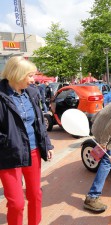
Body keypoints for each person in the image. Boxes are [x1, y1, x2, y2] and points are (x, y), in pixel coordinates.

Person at [0, 56, 54, 225]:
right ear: (17, 74)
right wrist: (7, 141)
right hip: (9, 155)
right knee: (16, 203)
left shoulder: (32, 92)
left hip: (33, 151)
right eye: (30, 75)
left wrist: (47, 144)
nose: (33, 79)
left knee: (35, 194)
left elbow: (38, 122)